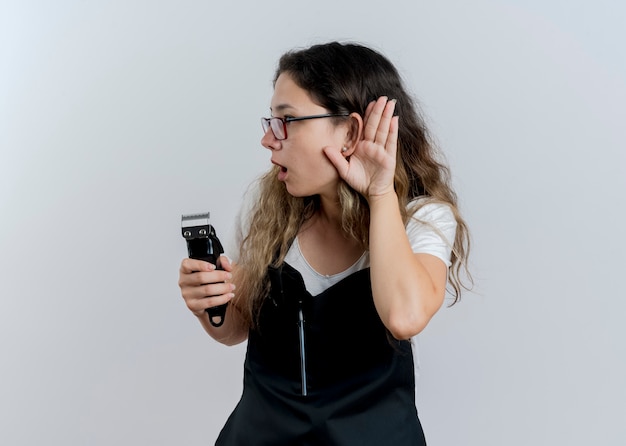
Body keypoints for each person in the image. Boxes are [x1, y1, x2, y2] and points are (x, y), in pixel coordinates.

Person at [178, 41, 471, 445]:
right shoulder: (271, 211)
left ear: (350, 132)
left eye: (287, 120)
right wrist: (207, 302)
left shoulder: (420, 217)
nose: (268, 140)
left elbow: (405, 317)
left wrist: (380, 194)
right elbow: (234, 328)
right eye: (270, 122)